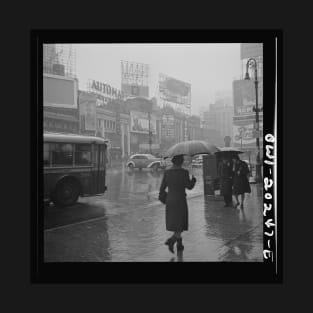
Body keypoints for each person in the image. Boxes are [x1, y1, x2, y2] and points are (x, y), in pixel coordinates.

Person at [159, 154, 196, 253]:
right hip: (180, 200)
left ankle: (179, 244)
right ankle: (171, 241)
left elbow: (161, 189)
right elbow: (189, 186)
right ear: (181, 162)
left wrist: (166, 200)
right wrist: (193, 180)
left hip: (170, 200)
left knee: (176, 224)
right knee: (180, 224)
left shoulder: (167, 172)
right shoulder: (184, 172)